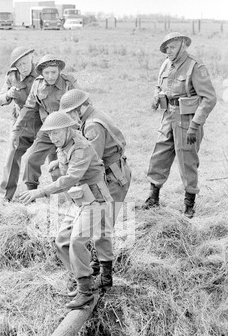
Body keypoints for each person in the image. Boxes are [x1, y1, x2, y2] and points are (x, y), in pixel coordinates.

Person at [19, 111, 114, 310]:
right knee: (61, 240)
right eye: (50, 134)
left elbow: (70, 178)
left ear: (68, 130)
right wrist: (57, 163)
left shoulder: (81, 147)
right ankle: (82, 279)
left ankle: (85, 292)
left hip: (95, 199)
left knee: (77, 240)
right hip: (80, 198)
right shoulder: (64, 144)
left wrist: (41, 192)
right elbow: (67, 164)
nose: (53, 138)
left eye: (56, 133)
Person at [58, 88, 131, 290]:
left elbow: (92, 159)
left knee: (103, 226)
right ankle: (98, 266)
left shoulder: (92, 127)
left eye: (72, 112)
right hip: (108, 174)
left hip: (113, 177)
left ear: (82, 107)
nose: (71, 117)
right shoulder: (91, 118)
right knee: (100, 223)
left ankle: (106, 277)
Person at [143, 31, 217, 218]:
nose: (168, 51)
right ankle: (153, 198)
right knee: (159, 155)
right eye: (166, 47)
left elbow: (209, 98)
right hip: (168, 116)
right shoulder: (166, 64)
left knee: (187, 160)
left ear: (183, 45)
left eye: (172, 47)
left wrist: (195, 125)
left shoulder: (195, 65)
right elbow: (159, 85)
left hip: (187, 120)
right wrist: (155, 94)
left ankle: (189, 204)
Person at [13, 54, 78, 192]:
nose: (50, 76)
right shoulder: (37, 84)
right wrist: (16, 129)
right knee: (31, 159)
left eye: (54, 72)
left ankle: (69, 197)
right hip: (48, 129)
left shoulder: (68, 83)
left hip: (68, 131)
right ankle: (31, 193)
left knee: (62, 166)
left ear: (59, 71)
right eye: (46, 73)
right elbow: (29, 107)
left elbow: (82, 104)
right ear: (41, 73)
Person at [0, 47, 42, 202]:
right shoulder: (12, 76)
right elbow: (0, 99)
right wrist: (9, 94)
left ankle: (33, 196)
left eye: (25, 63)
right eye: (19, 65)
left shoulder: (43, 72)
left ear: (32, 58)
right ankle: (5, 197)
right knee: (12, 157)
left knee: (46, 160)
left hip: (42, 123)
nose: (23, 67)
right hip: (20, 125)